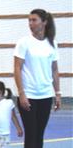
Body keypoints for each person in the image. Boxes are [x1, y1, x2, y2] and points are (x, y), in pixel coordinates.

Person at [13, 8, 61, 148]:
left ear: (44, 22)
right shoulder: (24, 42)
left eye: (34, 20)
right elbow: (17, 68)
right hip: (28, 95)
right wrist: (22, 93)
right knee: (31, 134)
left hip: (45, 95)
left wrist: (58, 93)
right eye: (29, 20)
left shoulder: (52, 43)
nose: (30, 23)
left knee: (39, 134)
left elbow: (54, 69)